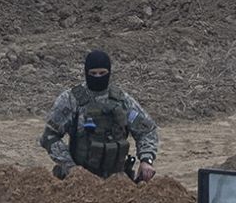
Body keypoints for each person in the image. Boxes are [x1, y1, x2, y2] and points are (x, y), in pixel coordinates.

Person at [39, 50, 160, 182]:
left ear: (109, 72)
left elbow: (147, 130)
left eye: (102, 73)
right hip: (80, 180)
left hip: (117, 180)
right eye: (93, 73)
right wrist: (71, 168)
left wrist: (146, 160)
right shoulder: (71, 100)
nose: (98, 77)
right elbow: (49, 136)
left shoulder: (122, 101)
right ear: (86, 73)